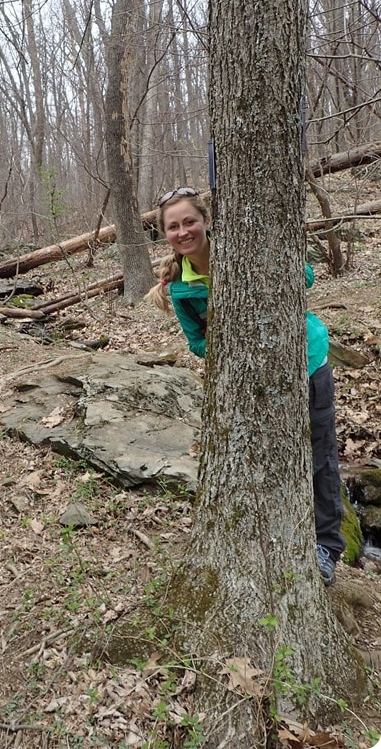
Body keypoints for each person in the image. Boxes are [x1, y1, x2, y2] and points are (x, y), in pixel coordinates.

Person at [146, 186, 344, 585]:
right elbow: (199, 344)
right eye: (173, 227)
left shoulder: (242, 243)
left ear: (205, 222)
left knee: (319, 459)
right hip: (252, 381)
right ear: (164, 234)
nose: (183, 231)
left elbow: (304, 277)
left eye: (189, 222)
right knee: (270, 458)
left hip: (306, 362)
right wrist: (236, 335)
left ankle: (326, 547)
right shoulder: (181, 287)